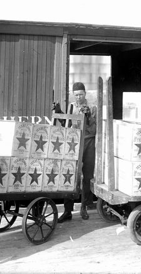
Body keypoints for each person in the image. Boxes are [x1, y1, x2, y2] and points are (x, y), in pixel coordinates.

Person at [54, 82, 97, 222]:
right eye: (76, 95)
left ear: (85, 94)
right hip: (74, 142)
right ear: (73, 95)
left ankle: (84, 207)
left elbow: (94, 129)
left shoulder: (92, 107)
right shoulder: (71, 107)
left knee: (87, 176)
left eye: (81, 95)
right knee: (70, 174)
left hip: (89, 142)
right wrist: (59, 112)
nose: (79, 97)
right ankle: (67, 211)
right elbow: (66, 125)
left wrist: (88, 116)